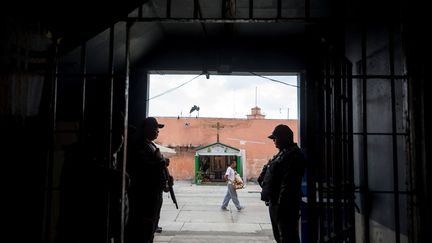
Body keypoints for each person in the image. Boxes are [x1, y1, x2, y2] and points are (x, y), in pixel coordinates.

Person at [125, 117, 170, 243]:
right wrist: (162, 162)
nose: (158, 131)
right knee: (145, 228)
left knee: (152, 226)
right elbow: (143, 168)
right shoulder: (140, 146)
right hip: (146, 196)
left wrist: (166, 179)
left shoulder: (150, 145)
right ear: (147, 129)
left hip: (155, 194)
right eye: (156, 128)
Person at [259, 124, 306, 243]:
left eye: (275, 138)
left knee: (287, 236)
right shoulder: (281, 154)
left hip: (285, 205)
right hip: (274, 202)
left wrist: (281, 206)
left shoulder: (294, 155)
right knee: (280, 236)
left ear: (284, 138)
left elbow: (289, 183)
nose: (274, 141)